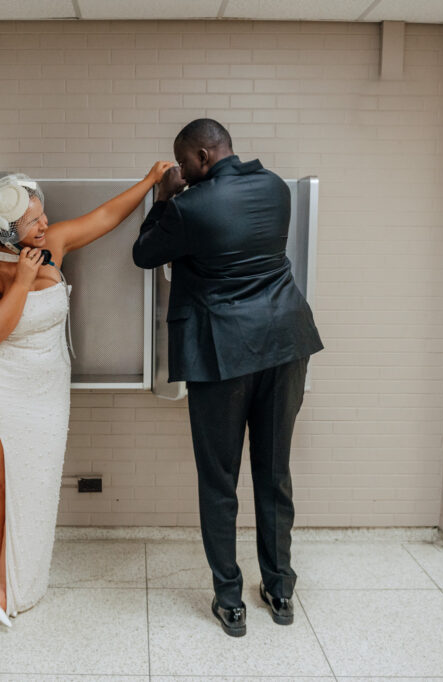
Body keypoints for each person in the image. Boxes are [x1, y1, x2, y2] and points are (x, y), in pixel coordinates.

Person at [132, 119, 323, 637]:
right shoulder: (275, 188)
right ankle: (280, 589)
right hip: (286, 344)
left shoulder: (189, 208)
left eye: (185, 166)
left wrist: (164, 199)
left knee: (219, 481)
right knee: (274, 469)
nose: (184, 175)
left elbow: (143, 254)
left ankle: (230, 601)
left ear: (199, 156)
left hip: (223, 356)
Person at [0, 161, 173, 628]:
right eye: (32, 221)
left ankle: (24, 575)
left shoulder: (54, 244)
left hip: (47, 392)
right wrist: (20, 282)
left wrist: (147, 183)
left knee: (37, 486)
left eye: (42, 215)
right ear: (6, 232)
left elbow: (104, 218)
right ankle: (0, 579)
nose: (43, 225)